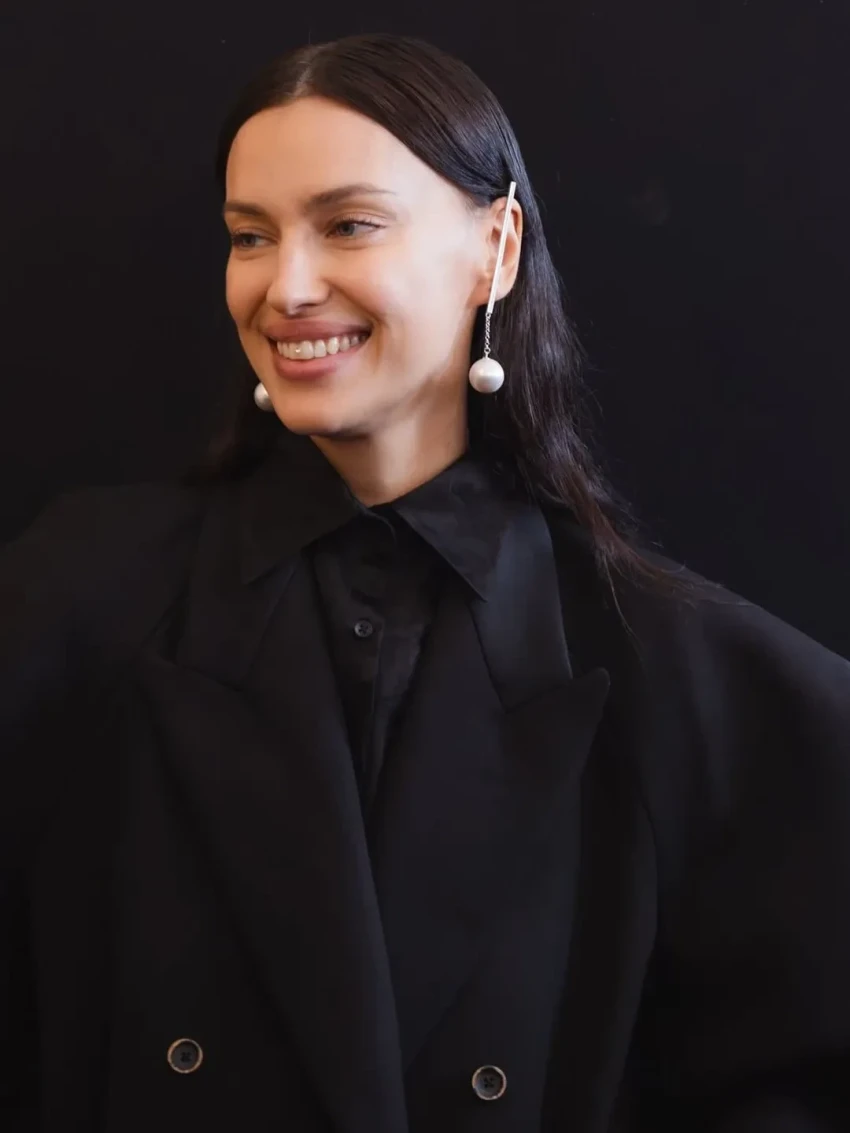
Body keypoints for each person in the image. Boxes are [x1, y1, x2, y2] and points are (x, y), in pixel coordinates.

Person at [2, 30, 849, 1133]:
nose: (284, 286)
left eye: (348, 224)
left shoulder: (669, 670)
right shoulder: (81, 598)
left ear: (495, 249)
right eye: (250, 235)